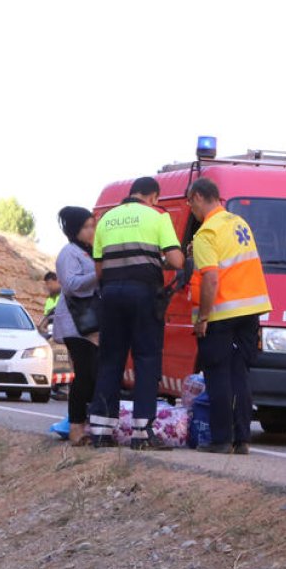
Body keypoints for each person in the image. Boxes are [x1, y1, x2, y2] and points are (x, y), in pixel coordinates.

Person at [90, 177, 185, 449]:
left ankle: (100, 430)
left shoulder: (106, 219)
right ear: (153, 197)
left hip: (110, 295)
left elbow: (99, 269)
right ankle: (142, 434)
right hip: (143, 294)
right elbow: (176, 261)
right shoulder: (157, 217)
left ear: (131, 194)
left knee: (110, 360)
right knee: (146, 360)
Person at [186, 177, 272, 455]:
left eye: (190, 203)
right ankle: (242, 439)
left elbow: (211, 278)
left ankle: (221, 440)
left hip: (222, 313)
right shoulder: (237, 222)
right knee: (240, 376)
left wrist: (203, 318)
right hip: (250, 310)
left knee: (218, 376)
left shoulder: (206, 233)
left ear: (198, 197)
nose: (191, 210)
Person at [53, 207, 99, 446]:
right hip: (75, 323)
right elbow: (71, 285)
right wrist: (98, 276)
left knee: (93, 375)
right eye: (86, 226)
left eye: (93, 225)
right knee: (85, 375)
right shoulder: (69, 253)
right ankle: (76, 428)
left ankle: (86, 425)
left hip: (92, 324)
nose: (92, 230)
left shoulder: (90, 252)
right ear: (74, 229)